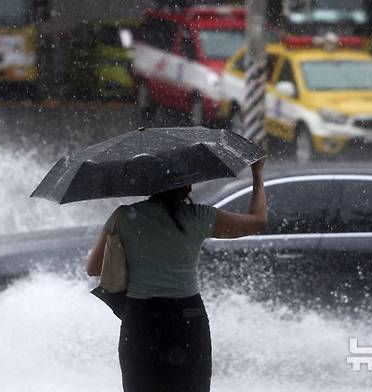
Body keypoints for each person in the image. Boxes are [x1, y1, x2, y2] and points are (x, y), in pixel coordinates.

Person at [86, 158, 267, 392]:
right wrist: (257, 175)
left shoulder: (123, 217)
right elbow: (259, 222)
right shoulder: (199, 216)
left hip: (141, 320)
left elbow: (92, 268)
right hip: (187, 319)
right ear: (185, 186)